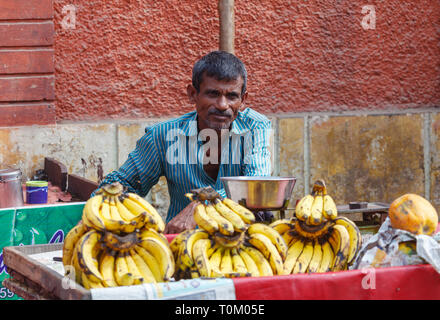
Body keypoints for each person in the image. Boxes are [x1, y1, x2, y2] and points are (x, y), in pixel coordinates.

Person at [96, 50, 272, 234]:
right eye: (212, 94)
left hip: (245, 245)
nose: (222, 105)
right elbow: (123, 183)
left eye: (232, 96)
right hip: (182, 244)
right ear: (192, 94)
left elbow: (256, 185)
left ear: (243, 100)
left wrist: (201, 205)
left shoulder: (256, 127)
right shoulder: (163, 135)